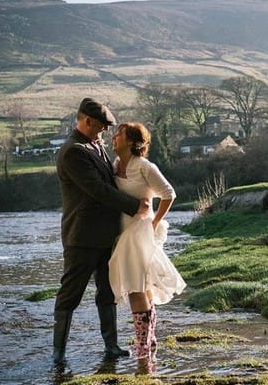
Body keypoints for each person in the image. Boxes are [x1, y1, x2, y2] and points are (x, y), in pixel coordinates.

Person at [53, 98, 149, 364]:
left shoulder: (95, 146)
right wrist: (135, 206)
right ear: (86, 121)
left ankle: (112, 347)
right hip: (81, 237)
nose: (106, 132)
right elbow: (98, 189)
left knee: (107, 293)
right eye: (102, 126)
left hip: (106, 236)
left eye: (108, 127)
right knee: (69, 295)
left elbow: (111, 183)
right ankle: (58, 354)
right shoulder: (73, 151)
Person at [108, 122, 186, 365]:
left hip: (140, 232)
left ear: (131, 141)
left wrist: (154, 223)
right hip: (123, 231)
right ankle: (149, 340)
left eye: (118, 134)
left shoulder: (144, 166)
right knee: (142, 286)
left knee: (135, 286)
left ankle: (142, 345)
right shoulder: (115, 165)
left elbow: (169, 193)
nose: (113, 137)